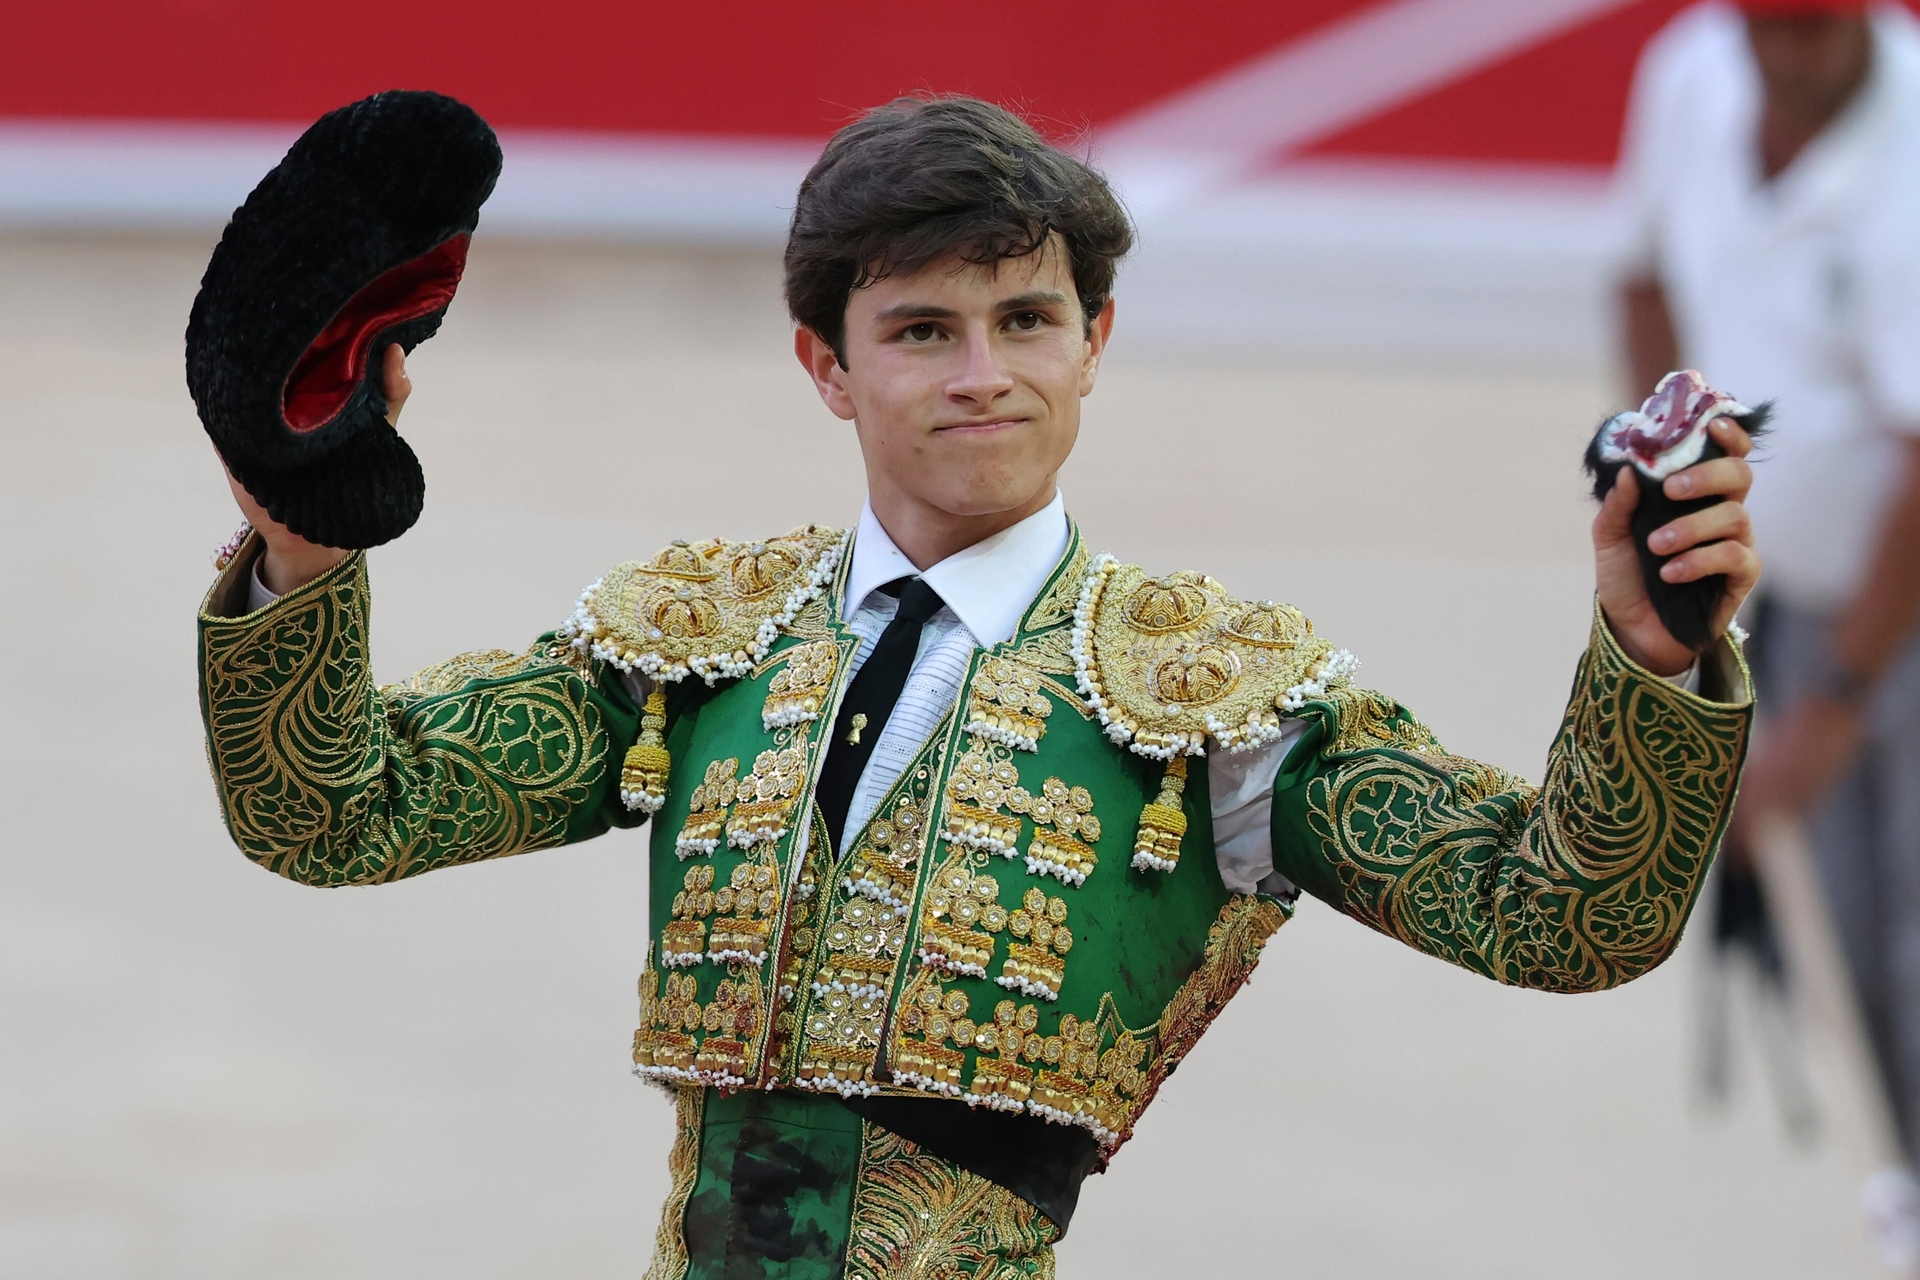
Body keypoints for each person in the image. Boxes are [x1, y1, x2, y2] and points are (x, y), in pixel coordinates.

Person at [199, 96, 1758, 1277]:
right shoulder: (696, 642)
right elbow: (337, 813)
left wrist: (1648, 661)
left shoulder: (1213, 700)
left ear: (1097, 341)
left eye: (1027, 320)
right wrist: (305, 539)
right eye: (922, 330)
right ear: (826, 365)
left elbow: (1560, 915)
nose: (982, 375)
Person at [1618, 0, 1920, 1172]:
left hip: (1885, 611)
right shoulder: (1689, 74)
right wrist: (1675, 521)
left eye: (1816, 19)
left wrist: (1832, 704)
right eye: (1772, 19)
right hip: (1791, 593)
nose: (1792, 41)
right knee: (1840, 947)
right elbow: (1642, 276)